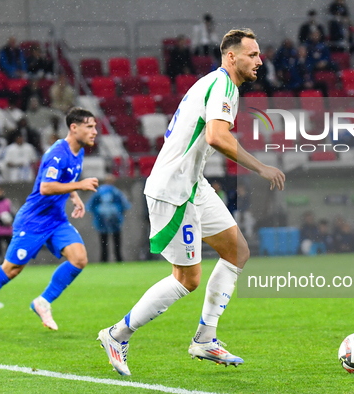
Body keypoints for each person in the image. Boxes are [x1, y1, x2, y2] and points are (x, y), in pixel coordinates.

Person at [97, 28, 285, 376]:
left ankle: (205, 338)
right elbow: (216, 136)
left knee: (237, 251)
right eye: (253, 54)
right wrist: (260, 167)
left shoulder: (216, 84)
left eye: (259, 54)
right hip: (174, 190)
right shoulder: (223, 85)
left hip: (193, 184)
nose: (260, 60)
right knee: (187, 279)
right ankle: (117, 334)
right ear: (231, 56)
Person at [0, 107, 99, 335]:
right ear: (74, 128)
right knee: (12, 269)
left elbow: (66, 178)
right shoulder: (57, 153)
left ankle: (43, 302)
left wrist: (74, 197)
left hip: (56, 220)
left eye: (95, 126)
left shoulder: (79, 151)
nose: (95, 131)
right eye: (90, 126)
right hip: (33, 222)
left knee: (79, 258)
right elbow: (46, 187)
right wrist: (79, 186)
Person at [85, 175, 131, 262]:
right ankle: (118, 258)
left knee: (103, 241)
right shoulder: (116, 191)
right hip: (115, 219)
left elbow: (90, 205)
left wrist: (96, 213)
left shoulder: (99, 192)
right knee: (116, 240)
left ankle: (103, 259)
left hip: (101, 219)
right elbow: (125, 204)